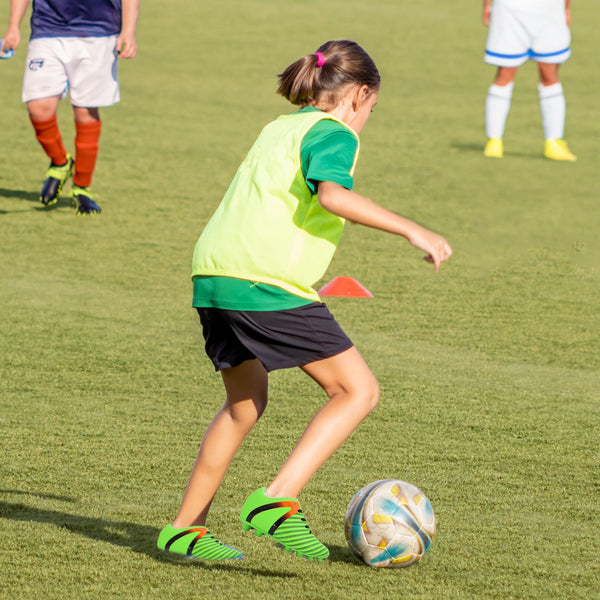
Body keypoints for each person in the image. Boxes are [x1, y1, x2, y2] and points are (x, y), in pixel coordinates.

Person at [156, 40, 453, 562]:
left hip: (214, 273)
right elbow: (333, 196)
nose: (368, 119)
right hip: (264, 280)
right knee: (357, 390)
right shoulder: (335, 133)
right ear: (360, 95)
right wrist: (414, 229)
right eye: (372, 108)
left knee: (243, 405)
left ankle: (184, 530)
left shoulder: (280, 126)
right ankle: (277, 499)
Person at [1, 0, 139, 214]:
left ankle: (82, 188)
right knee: (38, 107)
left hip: (99, 32)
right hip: (47, 28)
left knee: (85, 110)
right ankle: (60, 163)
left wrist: (128, 31)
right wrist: (13, 26)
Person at [482, 0, 576, 161]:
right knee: (549, 75)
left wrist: (487, 5)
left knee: (505, 74)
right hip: (547, 8)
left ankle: (494, 142)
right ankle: (553, 142)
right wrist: (566, 7)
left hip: (510, 8)